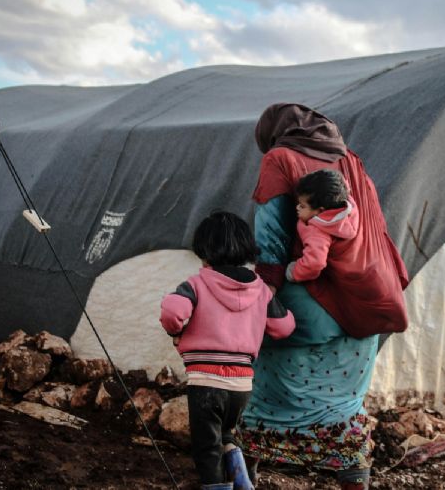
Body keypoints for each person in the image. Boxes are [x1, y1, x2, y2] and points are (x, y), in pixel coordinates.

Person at [237, 103, 409, 490]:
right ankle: (353, 477)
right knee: (345, 408)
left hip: (308, 305)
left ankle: (246, 474)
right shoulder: (351, 161)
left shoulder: (279, 158)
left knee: (270, 394)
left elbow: (272, 236)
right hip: (363, 305)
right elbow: (376, 229)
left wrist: (266, 290)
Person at [159, 211, 296, 490]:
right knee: (227, 433)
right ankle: (241, 478)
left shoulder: (197, 284)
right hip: (241, 384)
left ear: (204, 251)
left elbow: (172, 311)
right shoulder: (259, 289)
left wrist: (177, 332)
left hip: (206, 383)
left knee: (207, 447)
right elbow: (283, 327)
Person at [285, 168, 357, 283]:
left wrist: (294, 272)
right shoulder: (348, 206)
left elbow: (315, 262)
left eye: (302, 206)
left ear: (320, 211)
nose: (297, 207)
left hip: (341, 281)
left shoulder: (317, 232)